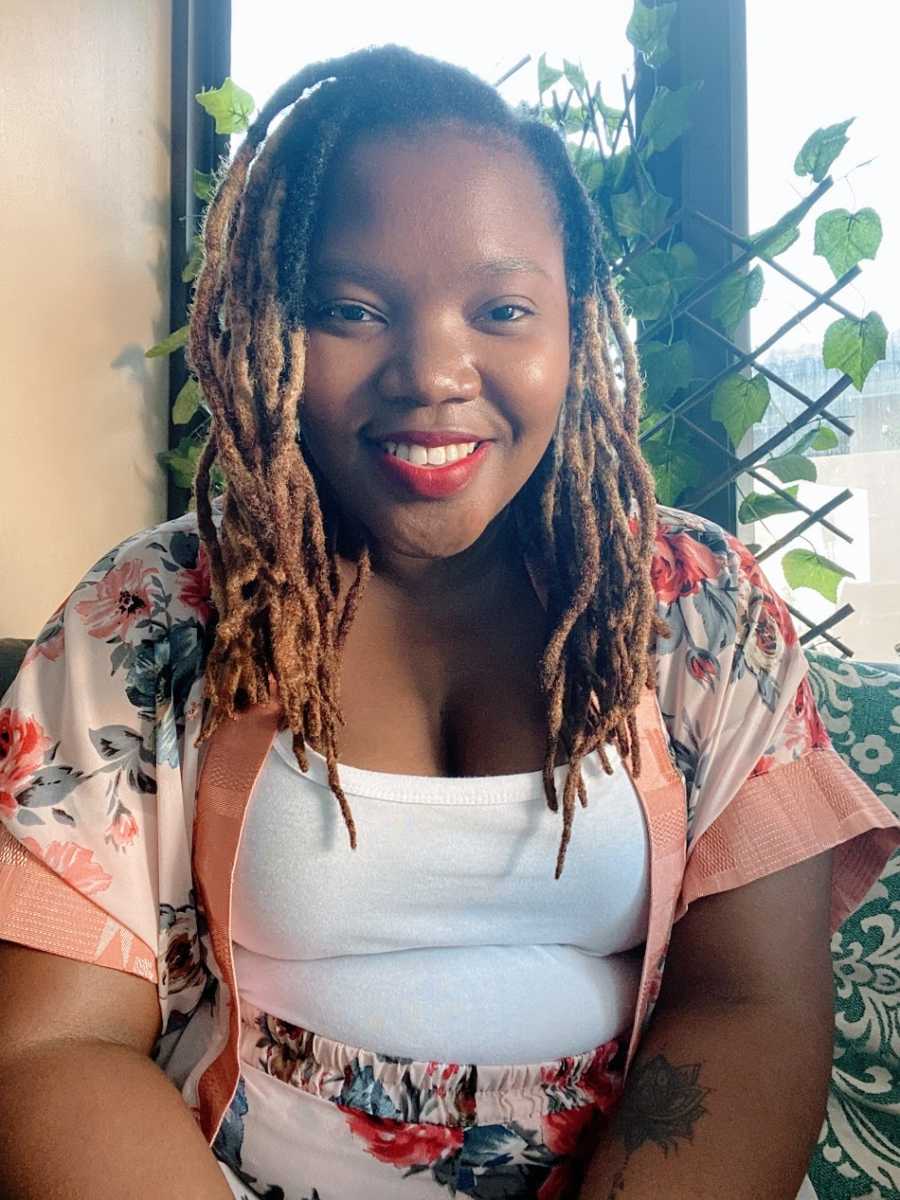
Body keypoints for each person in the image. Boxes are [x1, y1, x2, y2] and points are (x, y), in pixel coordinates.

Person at [0, 45, 896, 1200]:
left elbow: (752, 1005)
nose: (433, 372)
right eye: (351, 309)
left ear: (577, 327)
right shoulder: (153, 615)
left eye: (502, 308)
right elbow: (56, 1046)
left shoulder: (700, 605)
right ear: (265, 328)